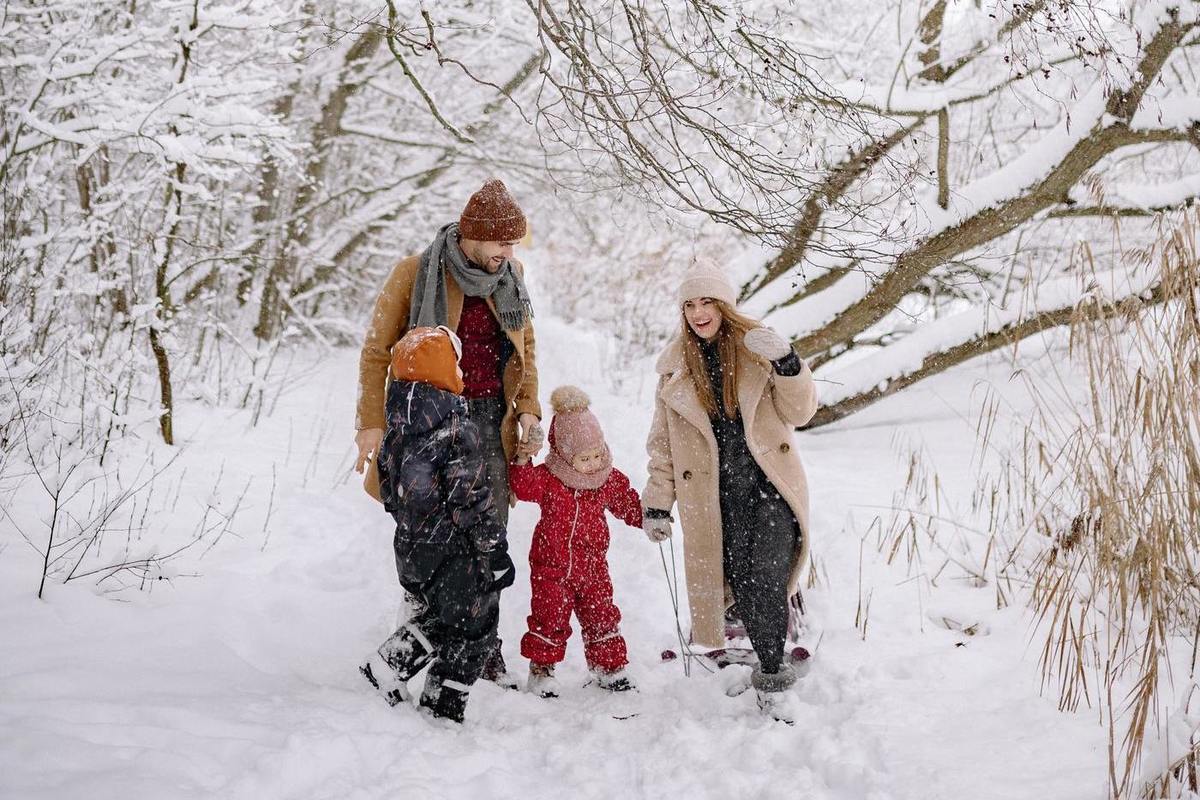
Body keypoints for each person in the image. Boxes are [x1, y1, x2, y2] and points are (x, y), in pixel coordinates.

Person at [353, 178, 543, 687]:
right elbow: (376, 352)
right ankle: (416, 640)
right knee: (432, 539)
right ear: (473, 236)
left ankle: (483, 651)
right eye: (502, 242)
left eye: (513, 243)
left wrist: (528, 409)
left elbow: (526, 349)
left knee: (487, 536)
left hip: (492, 421)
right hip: (427, 421)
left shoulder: (513, 276)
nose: (509, 252)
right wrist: (371, 424)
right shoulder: (417, 273)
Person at [641, 259, 818, 723]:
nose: (699, 313)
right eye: (690, 304)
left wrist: (788, 363)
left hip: (771, 488)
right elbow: (663, 446)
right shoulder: (674, 369)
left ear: (724, 306)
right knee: (743, 584)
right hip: (718, 501)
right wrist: (658, 501)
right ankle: (767, 640)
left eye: (707, 302)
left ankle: (774, 680)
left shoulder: (758, 348)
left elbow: (800, 412)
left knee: (763, 577)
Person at [358, 326, 516, 723]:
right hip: (455, 549)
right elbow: (471, 499)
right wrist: (494, 547)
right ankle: (443, 705)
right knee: (474, 625)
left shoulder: (398, 426)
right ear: (447, 372)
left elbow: (390, 491)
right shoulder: (456, 429)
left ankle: (390, 665)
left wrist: (415, 523)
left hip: (411, 547)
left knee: (446, 618)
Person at [509, 386, 644, 698]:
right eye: (585, 458)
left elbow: (626, 502)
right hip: (552, 567)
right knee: (549, 617)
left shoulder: (607, 478)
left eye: (598, 454)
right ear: (565, 457)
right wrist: (522, 457)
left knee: (602, 614)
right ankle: (541, 671)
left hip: (594, 567)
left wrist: (649, 517)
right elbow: (522, 484)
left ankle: (608, 667)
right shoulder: (549, 478)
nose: (594, 463)